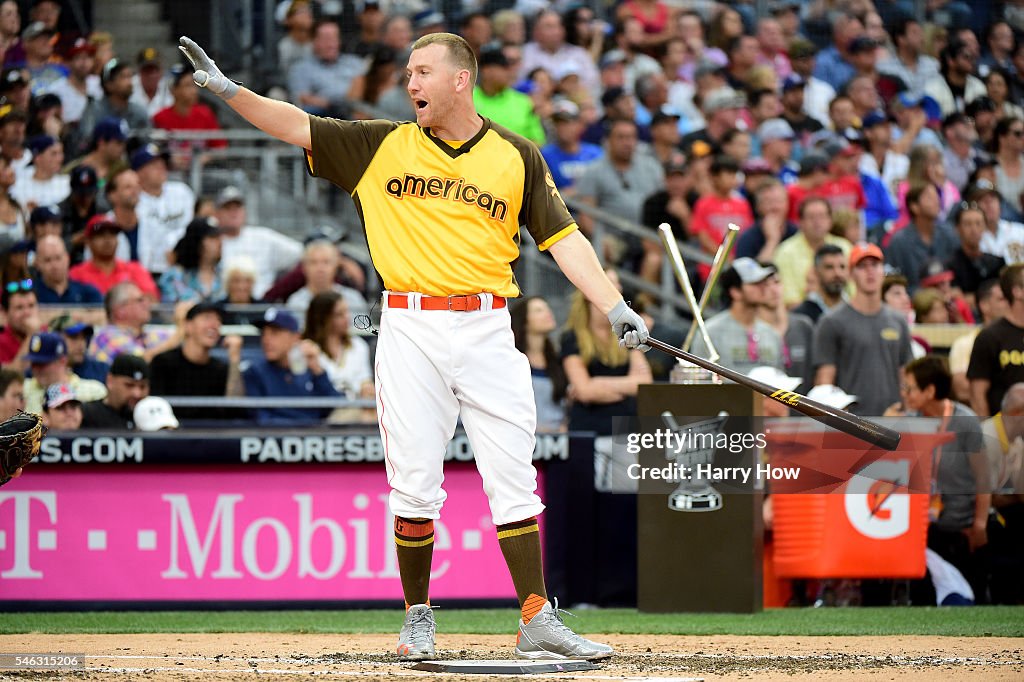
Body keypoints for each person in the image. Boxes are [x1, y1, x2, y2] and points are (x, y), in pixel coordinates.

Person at [179, 31, 646, 660]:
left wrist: (613, 304)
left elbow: (564, 240)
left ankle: (536, 615)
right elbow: (295, 125)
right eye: (407, 74)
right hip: (409, 324)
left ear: (461, 79)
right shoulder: (381, 144)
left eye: (422, 72)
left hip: (487, 324)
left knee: (513, 475)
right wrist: (229, 91)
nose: (410, 84)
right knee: (416, 480)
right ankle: (417, 617)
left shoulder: (517, 155)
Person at [887, 355, 990, 604]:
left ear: (930, 390)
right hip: (922, 531)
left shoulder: (965, 422)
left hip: (961, 529)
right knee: (923, 603)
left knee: (964, 601)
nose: (904, 393)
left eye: (909, 387)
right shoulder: (910, 423)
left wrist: (980, 523)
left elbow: (984, 477)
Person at [814, 243, 914, 416]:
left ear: (883, 271)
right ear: (851, 274)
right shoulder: (832, 322)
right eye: (862, 266)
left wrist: (909, 412)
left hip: (893, 421)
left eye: (874, 265)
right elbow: (825, 382)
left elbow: (905, 374)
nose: (870, 271)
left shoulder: (898, 321)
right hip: (851, 424)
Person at [242, 307, 340, 425]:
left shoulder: (311, 368)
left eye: (274, 333)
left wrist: (318, 371)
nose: (266, 340)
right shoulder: (255, 372)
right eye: (264, 334)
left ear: (295, 337)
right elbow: (260, 418)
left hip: (316, 438)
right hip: (277, 438)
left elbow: (337, 406)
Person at [149, 300, 243, 421]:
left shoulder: (220, 368)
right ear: (188, 326)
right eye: (207, 318)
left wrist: (235, 359)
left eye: (218, 320)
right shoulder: (163, 363)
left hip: (212, 434)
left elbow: (235, 409)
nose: (214, 325)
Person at [690, 258, 784, 374]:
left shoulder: (771, 334)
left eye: (763, 282)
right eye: (755, 283)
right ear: (735, 292)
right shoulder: (710, 333)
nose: (763, 288)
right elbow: (698, 381)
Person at [214, 186, 302, 299]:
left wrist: (279, 291)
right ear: (217, 213)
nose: (233, 212)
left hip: (262, 307)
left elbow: (302, 254)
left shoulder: (263, 237)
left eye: (238, 207)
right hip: (224, 308)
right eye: (228, 208)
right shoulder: (211, 242)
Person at [302, 291, 373, 423]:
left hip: (356, 406)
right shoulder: (307, 348)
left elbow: (365, 381)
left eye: (346, 312)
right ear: (323, 318)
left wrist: (367, 389)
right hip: (323, 411)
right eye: (339, 314)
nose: (347, 318)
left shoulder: (359, 345)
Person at [968, 264, 1024, 417]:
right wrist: (988, 435)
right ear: (1017, 292)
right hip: (1006, 432)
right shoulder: (990, 337)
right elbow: (977, 394)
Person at [774, 197, 851, 307]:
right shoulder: (785, 253)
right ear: (800, 222)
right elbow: (788, 302)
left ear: (830, 220)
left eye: (822, 216)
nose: (817, 222)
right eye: (811, 217)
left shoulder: (845, 247)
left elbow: (855, 292)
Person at [511, 295, 566, 433]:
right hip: (523, 436)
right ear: (524, 321)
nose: (548, 313)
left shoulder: (557, 361)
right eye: (538, 310)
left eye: (547, 308)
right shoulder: (512, 361)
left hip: (558, 440)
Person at [67, 215, 159, 297]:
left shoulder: (135, 269)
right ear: (88, 241)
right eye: (100, 235)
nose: (107, 240)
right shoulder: (76, 274)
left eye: (112, 234)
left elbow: (152, 299)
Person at [88, 281, 176, 364]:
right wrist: (181, 333)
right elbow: (140, 362)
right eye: (140, 300)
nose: (147, 303)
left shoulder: (146, 334)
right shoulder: (107, 336)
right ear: (120, 311)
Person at [950, 279, 1007, 402]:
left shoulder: (1019, 338)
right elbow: (961, 389)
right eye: (1002, 299)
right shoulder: (965, 343)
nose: (1009, 303)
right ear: (984, 305)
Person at [22, 330, 106, 413]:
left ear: (62, 361)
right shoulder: (22, 391)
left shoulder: (93, 392)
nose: (37, 369)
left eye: (43, 364)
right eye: (34, 363)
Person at [158, 217, 223, 303]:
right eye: (212, 238)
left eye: (219, 237)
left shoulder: (224, 275)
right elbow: (168, 311)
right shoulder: (173, 277)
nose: (219, 243)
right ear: (197, 242)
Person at [80, 352, 150, 429]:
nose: (137, 394)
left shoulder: (155, 416)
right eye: (129, 385)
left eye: (142, 386)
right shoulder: (87, 415)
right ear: (110, 381)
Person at [32, 234, 102, 304]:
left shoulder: (88, 294)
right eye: (47, 260)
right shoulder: (30, 296)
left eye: (58, 258)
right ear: (38, 264)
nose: (54, 265)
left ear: (67, 258)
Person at [792, 244, 849, 324]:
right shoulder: (801, 316)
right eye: (829, 267)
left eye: (842, 267)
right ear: (816, 272)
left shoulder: (856, 310)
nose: (837, 273)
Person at [0, 277, 39, 366]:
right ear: (5, 313)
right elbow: (10, 377)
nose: (27, 313)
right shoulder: (1, 342)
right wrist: (31, 335)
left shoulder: (47, 333)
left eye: (31, 306)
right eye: (19, 308)